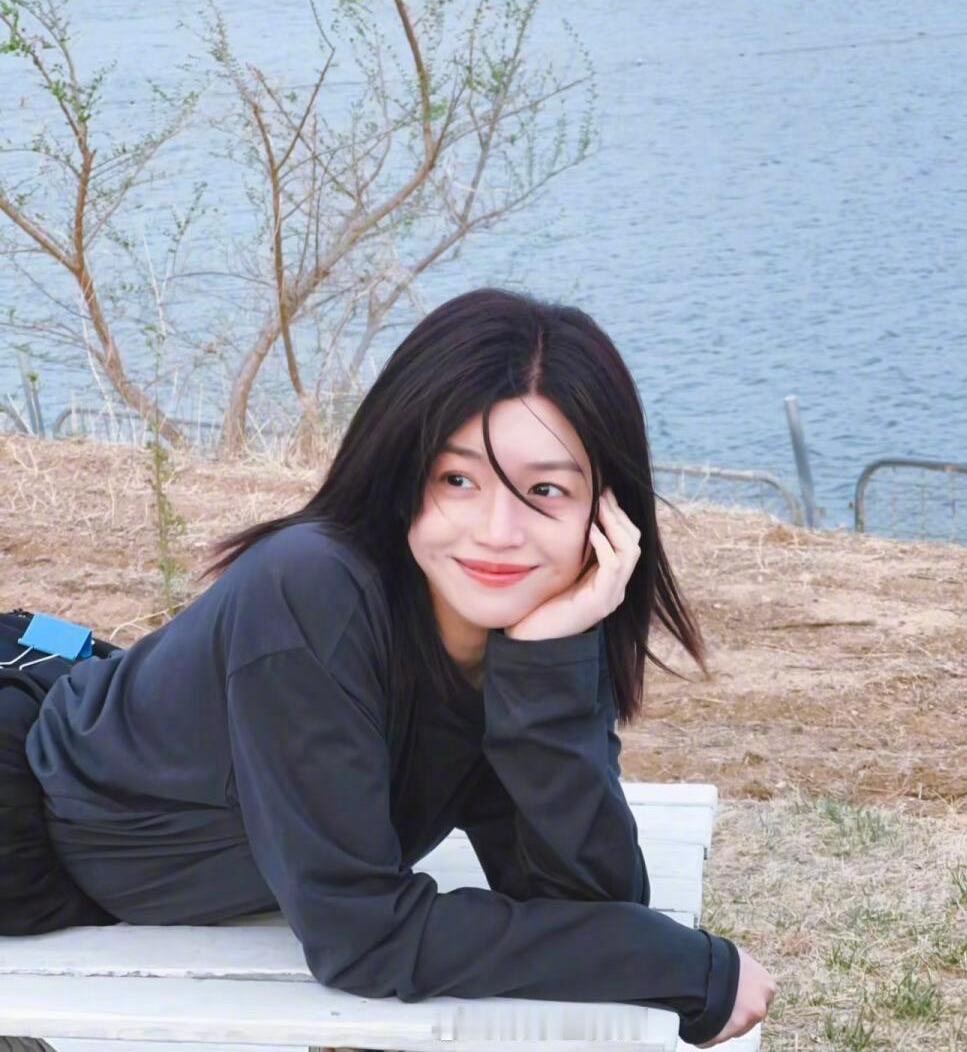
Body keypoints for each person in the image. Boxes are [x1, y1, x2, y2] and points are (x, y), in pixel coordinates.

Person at [3, 287, 776, 1048]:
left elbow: (593, 903)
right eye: (458, 480)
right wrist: (682, 965)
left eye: (545, 490)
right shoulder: (311, 590)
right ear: (404, 475)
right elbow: (362, 937)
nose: (498, 531)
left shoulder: (531, 626)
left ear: (607, 514)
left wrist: (546, 664)